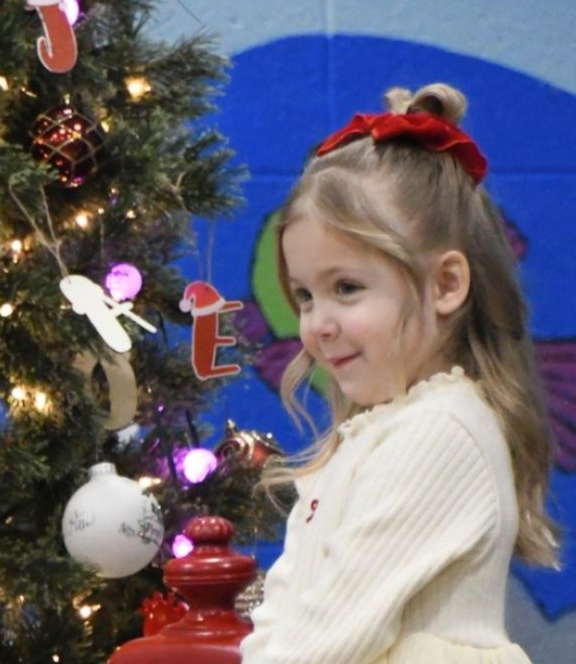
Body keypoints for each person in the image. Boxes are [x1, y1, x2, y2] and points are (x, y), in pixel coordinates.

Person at [238, 83, 559, 664]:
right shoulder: (378, 435)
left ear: (446, 285)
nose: (318, 324)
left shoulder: (439, 434)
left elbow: (326, 641)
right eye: (306, 295)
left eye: (347, 288)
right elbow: (285, 619)